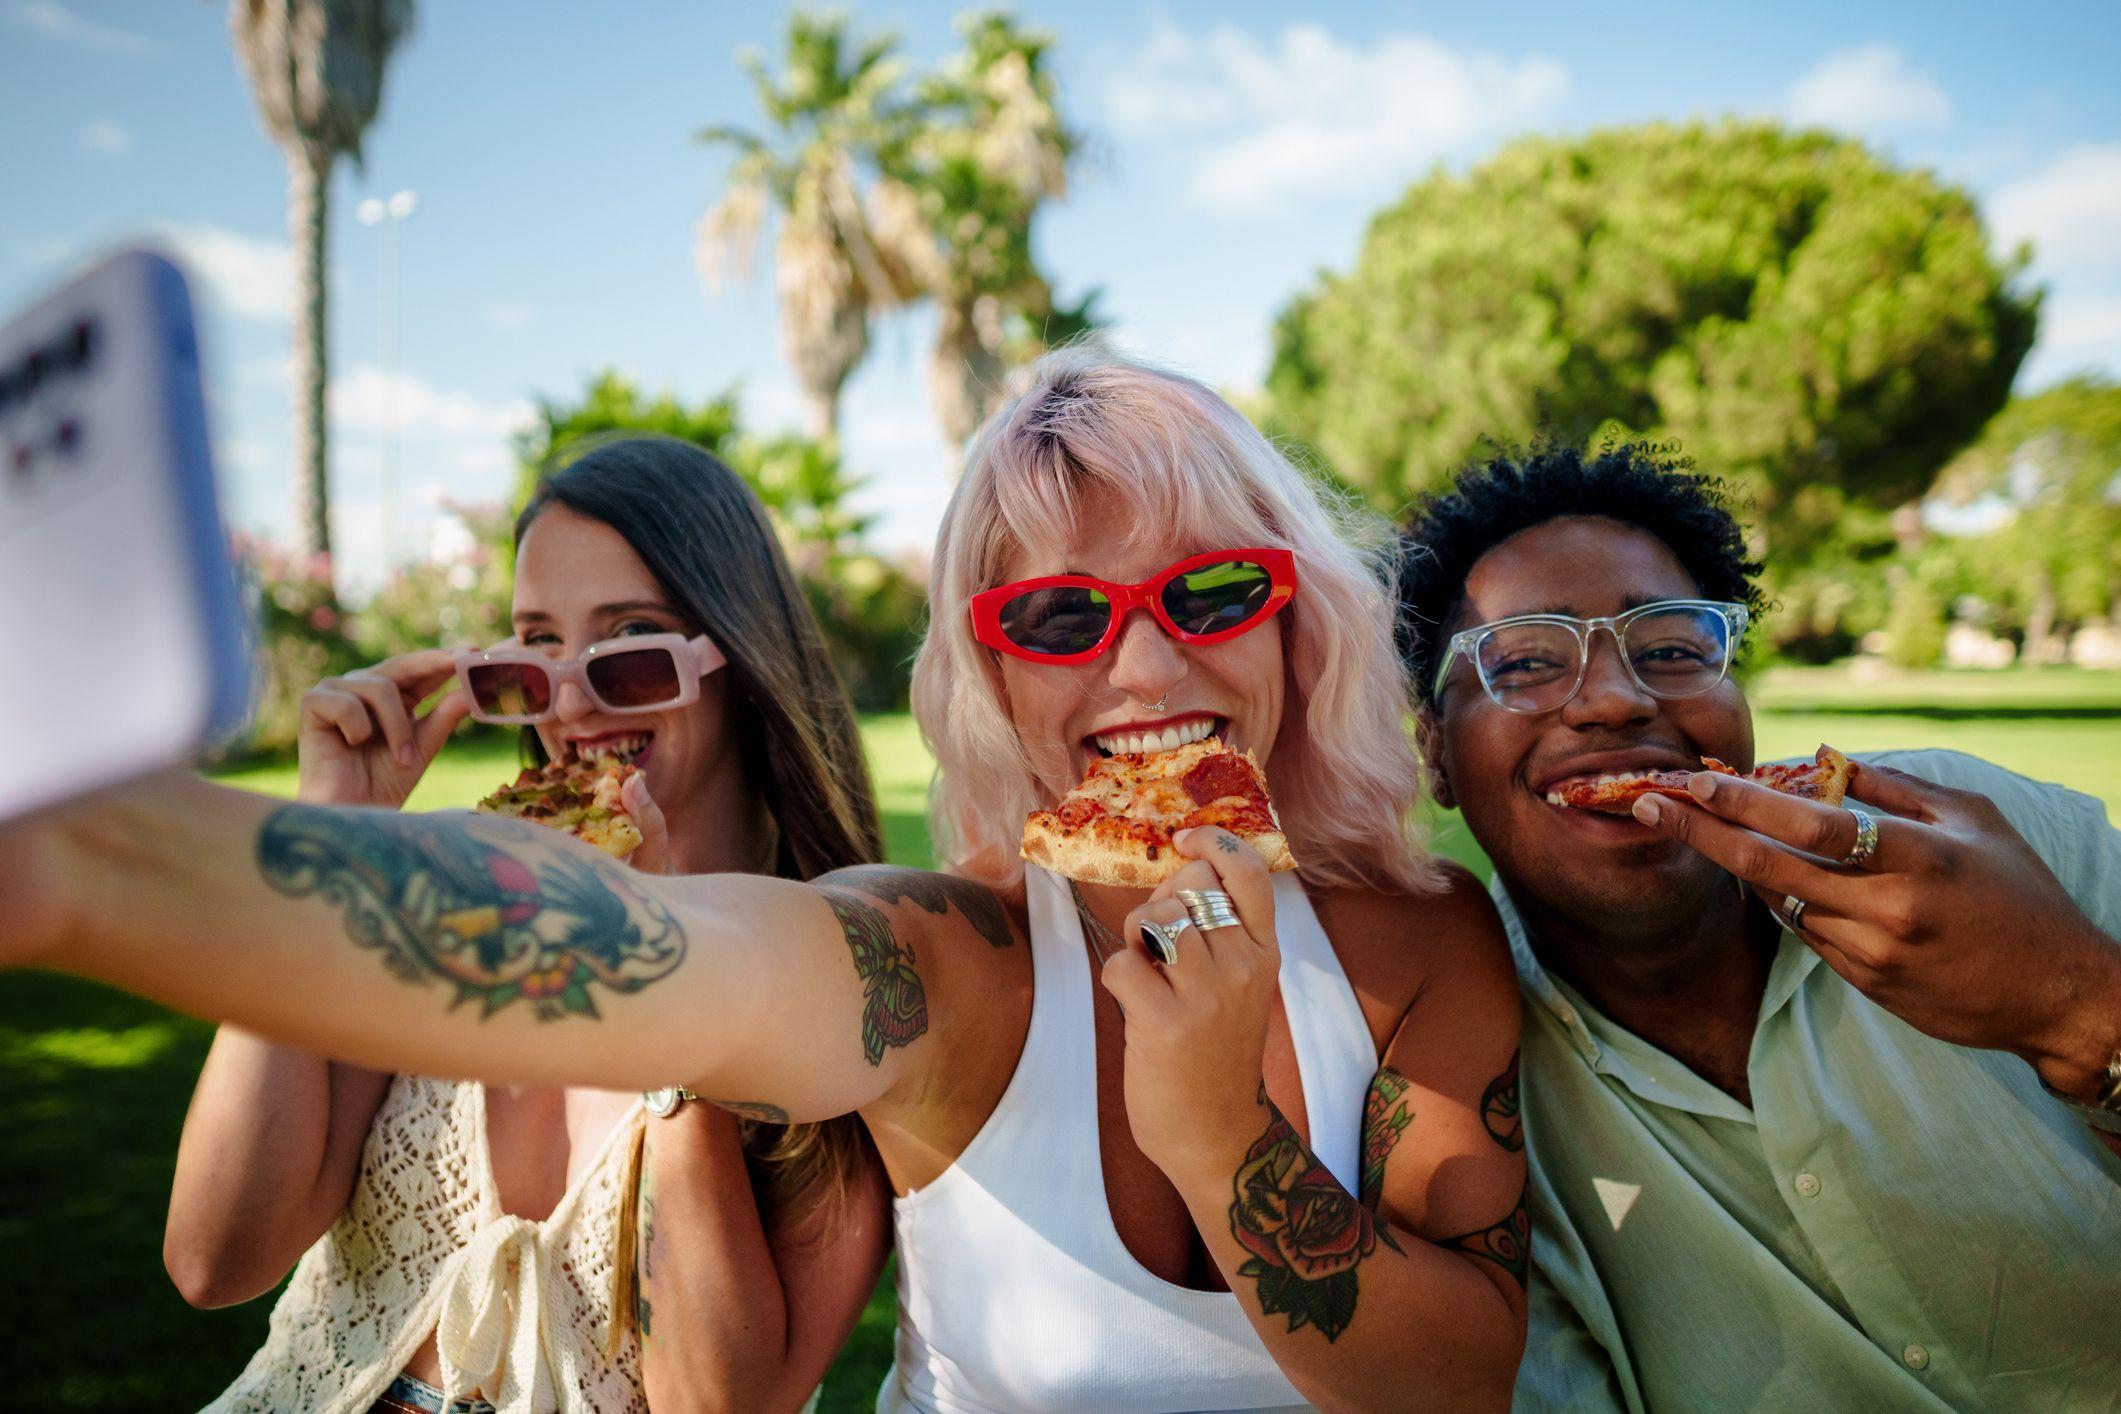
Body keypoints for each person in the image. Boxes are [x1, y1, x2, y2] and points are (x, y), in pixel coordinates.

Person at [4, 349, 1529, 1412]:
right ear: (994, 669)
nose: (1143, 664)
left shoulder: (1420, 940)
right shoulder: (952, 956)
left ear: (1298, 621)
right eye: (1061, 615)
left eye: (1210, 589)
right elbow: (679, 959)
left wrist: (1220, 1137)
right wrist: (109, 850)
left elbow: (1457, 1386)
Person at [163, 436, 892, 1413]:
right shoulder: (443, 906)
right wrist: (325, 847)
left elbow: (720, 1402)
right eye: (534, 653)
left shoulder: (844, 984)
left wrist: (677, 991)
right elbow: (216, 1257)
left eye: (628, 645)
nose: (573, 701)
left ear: (738, 660)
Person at [1395, 441, 2121, 1412]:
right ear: (1435, 753)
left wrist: (2079, 1009)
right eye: (1526, 660)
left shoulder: (1975, 830)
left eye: (1671, 647)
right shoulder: (1453, 1082)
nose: (1615, 697)